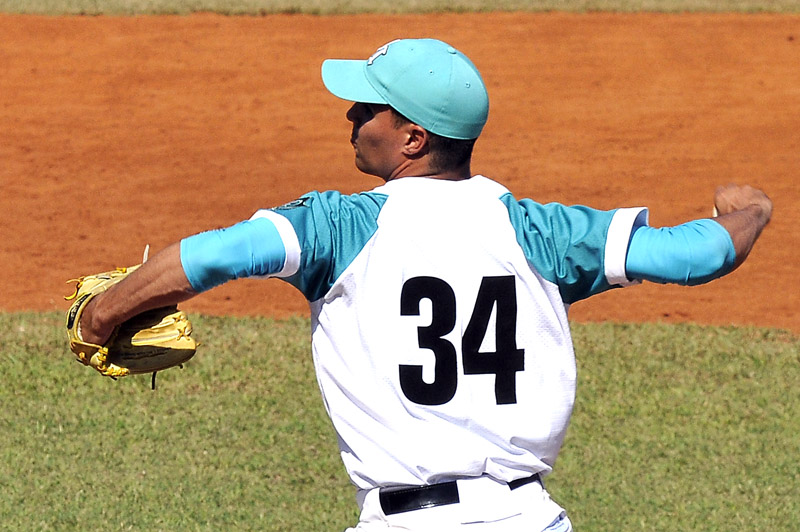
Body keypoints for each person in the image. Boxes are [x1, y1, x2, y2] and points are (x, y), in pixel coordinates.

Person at [76, 38, 772, 531]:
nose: (351, 117)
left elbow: (214, 256)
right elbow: (695, 255)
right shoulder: (543, 232)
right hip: (531, 519)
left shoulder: (338, 228)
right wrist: (750, 212)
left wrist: (102, 315)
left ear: (413, 138)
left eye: (367, 109)